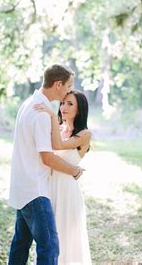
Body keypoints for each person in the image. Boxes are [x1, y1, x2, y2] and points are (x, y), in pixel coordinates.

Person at [8, 64, 84, 264]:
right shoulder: (41, 113)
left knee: (21, 244)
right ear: (58, 84)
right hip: (35, 191)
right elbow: (47, 158)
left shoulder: (28, 104)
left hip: (22, 187)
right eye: (68, 85)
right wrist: (74, 170)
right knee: (49, 247)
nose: (69, 90)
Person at [34, 90, 92, 264]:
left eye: (70, 104)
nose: (63, 107)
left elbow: (57, 145)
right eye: (62, 103)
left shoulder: (84, 134)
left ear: (80, 109)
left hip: (67, 190)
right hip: (50, 187)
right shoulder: (58, 128)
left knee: (67, 236)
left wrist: (51, 114)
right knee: (50, 236)